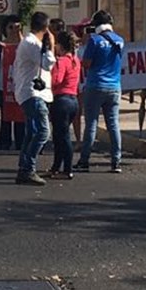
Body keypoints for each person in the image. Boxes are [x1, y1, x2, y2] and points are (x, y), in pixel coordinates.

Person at [77, 9, 125, 173]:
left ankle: (84, 161)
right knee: (113, 124)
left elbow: (86, 63)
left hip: (95, 85)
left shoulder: (95, 40)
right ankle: (116, 161)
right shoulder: (120, 40)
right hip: (114, 87)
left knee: (91, 124)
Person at [12, 11, 55, 185]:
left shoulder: (30, 43)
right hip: (33, 94)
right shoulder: (31, 43)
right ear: (45, 28)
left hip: (30, 93)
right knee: (43, 132)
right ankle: (29, 168)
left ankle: (24, 167)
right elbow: (47, 63)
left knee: (31, 133)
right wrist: (51, 45)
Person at [46, 26, 81, 179]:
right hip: (73, 100)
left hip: (61, 101)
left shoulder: (61, 61)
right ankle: (56, 167)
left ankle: (67, 169)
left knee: (62, 137)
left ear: (60, 45)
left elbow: (56, 80)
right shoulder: (75, 60)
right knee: (60, 135)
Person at [0, 18, 25, 151]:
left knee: (20, 116)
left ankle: (21, 142)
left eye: (17, 27)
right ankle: (4, 143)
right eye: (10, 27)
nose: (14, 30)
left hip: (21, 87)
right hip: (2, 87)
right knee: (5, 116)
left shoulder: (26, 46)